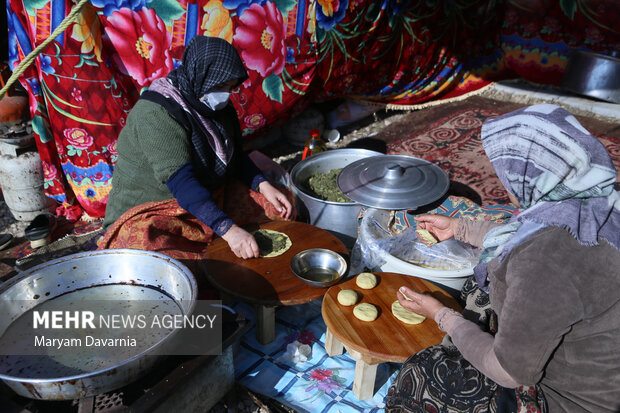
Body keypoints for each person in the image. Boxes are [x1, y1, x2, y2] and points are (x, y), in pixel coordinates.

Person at [385, 104, 620, 412]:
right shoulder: (600, 199)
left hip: (575, 401)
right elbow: (525, 233)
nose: (503, 184)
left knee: (423, 375)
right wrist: (461, 227)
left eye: (505, 173)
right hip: (599, 350)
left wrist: (444, 317)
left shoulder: (544, 261)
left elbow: (509, 372)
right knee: (478, 287)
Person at [99, 36, 293, 260]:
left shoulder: (216, 107)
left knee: (279, 208)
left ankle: (219, 237)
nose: (225, 94)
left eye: (230, 87)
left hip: (207, 195)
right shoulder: (156, 114)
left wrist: (263, 185)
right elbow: (182, 183)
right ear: (197, 75)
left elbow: (235, 157)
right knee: (156, 259)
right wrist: (228, 230)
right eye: (220, 86)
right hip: (154, 210)